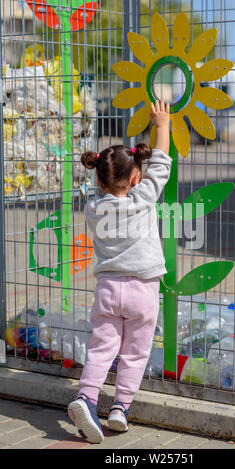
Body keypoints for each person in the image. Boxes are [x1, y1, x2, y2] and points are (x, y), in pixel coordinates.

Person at [68, 100, 171, 443]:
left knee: (102, 347)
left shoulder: (92, 208)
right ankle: (120, 407)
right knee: (135, 351)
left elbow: (141, 175)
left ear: (98, 179)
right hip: (143, 289)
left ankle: (86, 396)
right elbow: (162, 165)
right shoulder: (143, 199)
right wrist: (161, 125)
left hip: (108, 287)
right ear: (136, 178)